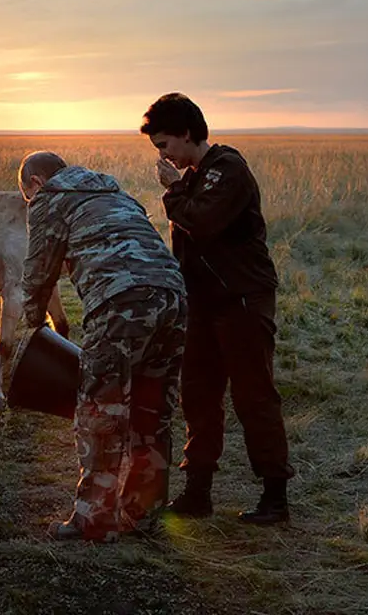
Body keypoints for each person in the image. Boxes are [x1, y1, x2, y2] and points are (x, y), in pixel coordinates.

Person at [19, 151, 187, 542]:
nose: (30, 202)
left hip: (120, 303)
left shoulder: (49, 198)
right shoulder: (114, 190)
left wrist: (32, 326)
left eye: (27, 195)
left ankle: (94, 519)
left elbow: (38, 271)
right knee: (153, 407)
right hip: (174, 297)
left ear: (35, 183)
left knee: (101, 412)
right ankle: (144, 514)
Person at [141, 92, 293, 525]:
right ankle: (197, 492)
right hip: (204, 302)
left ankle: (275, 497)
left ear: (187, 135)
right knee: (199, 395)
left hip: (242, 299)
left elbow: (202, 223)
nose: (163, 156)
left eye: (165, 144)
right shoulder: (197, 175)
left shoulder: (228, 170)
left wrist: (172, 189)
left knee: (253, 396)